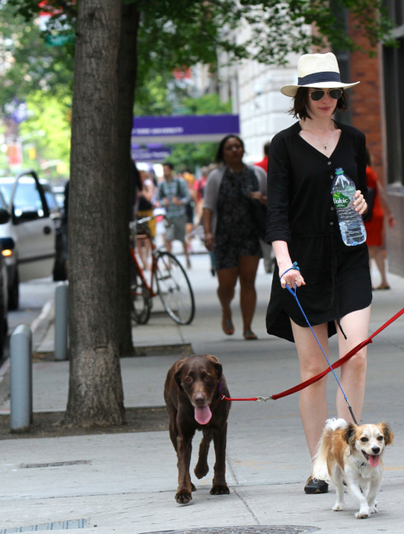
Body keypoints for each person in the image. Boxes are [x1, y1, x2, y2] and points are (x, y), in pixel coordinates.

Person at [265, 52, 371, 495]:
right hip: (301, 266)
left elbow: (358, 196)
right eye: (318, 92)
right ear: (303, 96)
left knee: (357, 357)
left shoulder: (355, 139)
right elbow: (277, 214)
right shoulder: (284, 144)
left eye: (334, 92)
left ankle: (344, 454)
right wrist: (284, 262)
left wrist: (363, 205)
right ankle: (318, 465)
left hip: (349, 258)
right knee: (313, 370)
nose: (327, 99)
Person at [202, 135, 267, 340]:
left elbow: (272, 201)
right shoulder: (216, 177)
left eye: (238, 146)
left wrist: (262, 198)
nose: (234, 150)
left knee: (249, 282)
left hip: (250, 236)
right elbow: (208, 207)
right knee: (226, 286)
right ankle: (226, 309)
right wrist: (207, 233)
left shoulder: (257, 174)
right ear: (223, 152)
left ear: (243, 149)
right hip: (224, 237)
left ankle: (247, 327)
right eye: (230, 148)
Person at [363, 147, 395, 290]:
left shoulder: (362, 172)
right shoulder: (370, 171)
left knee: (368, 249)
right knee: (375, 248)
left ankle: (367, 282)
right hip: (377, 213)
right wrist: (388, 213)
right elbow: (380, 193)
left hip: (367, 215)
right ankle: (384, 281)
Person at [157, 162, 192, 269]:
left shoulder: (179, 182)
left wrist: (180, 202)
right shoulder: (162, 184)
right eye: (164, 170)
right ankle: (169, 261)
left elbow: (188, 196)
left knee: (182, 239)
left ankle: (187, 258)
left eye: (166, 170)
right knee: (168, 239)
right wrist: (163, 203)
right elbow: (158, 199)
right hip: (168, 215)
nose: (165, 172)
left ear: (171, 170)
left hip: (179, 215)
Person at [135, 168, 156, 269]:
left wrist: (142, 189)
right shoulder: (135, 187)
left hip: (148, 213)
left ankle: (147, 259)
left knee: (148, 239)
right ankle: (143, 262)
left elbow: (149, 197)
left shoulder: (147, 186)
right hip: (138, 214)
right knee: (139, 239)